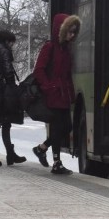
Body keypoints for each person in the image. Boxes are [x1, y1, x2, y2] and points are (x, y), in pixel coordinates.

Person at [31, 13, 81, 175]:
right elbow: (39, 70)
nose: (72, 35)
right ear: (61, 30)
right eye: (70, 31)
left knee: (66, 127)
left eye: (74, 32)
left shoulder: (65, 49)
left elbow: (67, 75)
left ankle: (42, 148)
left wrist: (71, 93)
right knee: (58, 128)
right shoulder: (50, 47)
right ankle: (56, 162)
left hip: (63, 94)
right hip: (53, 95)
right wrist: (49, 87)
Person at [0, 30, 27, 167]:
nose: (12, 45)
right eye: (12, 42)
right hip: (2, 94)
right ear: (7, 41)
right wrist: (13, 89)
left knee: (5, 123)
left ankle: (10, 155)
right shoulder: (3, 51)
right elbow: (8, 72)